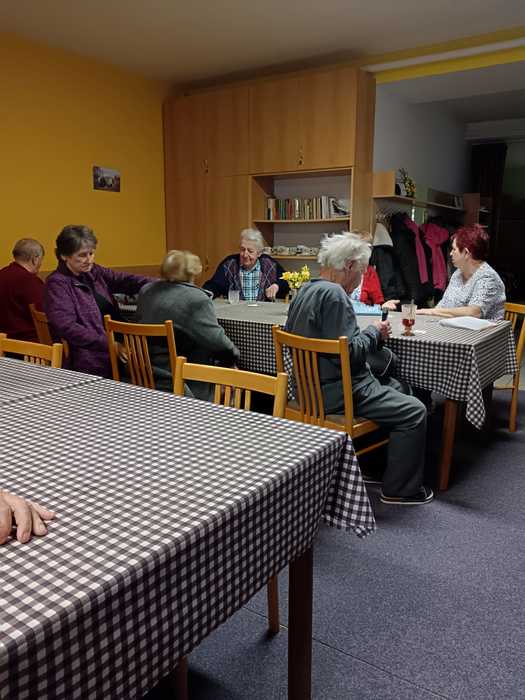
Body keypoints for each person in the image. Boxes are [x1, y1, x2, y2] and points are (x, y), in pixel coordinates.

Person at [286, 232, 432, 505]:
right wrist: (375, 332)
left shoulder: (304, 290)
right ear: (350, 265)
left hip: (307, 391)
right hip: (338, 393)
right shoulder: (335, 295)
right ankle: (400, 489)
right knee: (415, 410)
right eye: (361, 271)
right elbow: (350, 352)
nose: (359, 280)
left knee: (397, 387)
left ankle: (373, 468)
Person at [44, 225, 150, 377]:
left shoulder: (93, 271)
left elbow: (124, 280)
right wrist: (110, 344)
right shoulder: (57, 284)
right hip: (91, 356)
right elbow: (67, 326)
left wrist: (159, 283)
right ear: (64, 256)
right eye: (82, 255)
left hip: (117, 342)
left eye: (91, 253)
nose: (89, 260)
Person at [137, 249, 239, 399]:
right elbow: (219, 343)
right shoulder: (195, 299)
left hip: (143, 375)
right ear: (192, 273)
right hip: (182, 382)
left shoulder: (146, 291)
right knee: (236, 375)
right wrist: (233, 358)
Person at [417, 224, 505, 320]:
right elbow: (443, 305)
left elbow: (474, 313)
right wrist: (426, 314)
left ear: (466, 253)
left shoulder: (488, 278)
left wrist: (431, 311)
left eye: (454, 249)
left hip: (485, 329)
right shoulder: (458, 273)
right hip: (456, 326)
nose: (450, 253)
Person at [203, 229, 289, 301]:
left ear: (259, 253)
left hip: (263, 313)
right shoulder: (229, 263)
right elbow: (215, 285)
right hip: (236, 312)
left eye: (250, 251)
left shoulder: (269, 264)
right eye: (242, 249)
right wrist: (206, 294)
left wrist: (277, 285)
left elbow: (287, 281)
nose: (245, 255)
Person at [0, 238, 45, 341]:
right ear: (35, 259)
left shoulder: (2, 274)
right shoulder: (30, 281)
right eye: (41, 260)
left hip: (3, 343)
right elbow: (44, 314)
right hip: (30, 344)